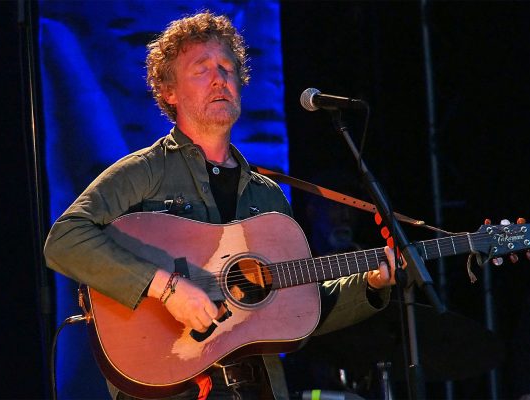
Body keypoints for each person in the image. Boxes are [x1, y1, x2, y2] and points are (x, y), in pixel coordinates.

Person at [44, 11, 399, 400]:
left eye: (227, 68)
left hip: (258, 388)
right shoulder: (143, 172)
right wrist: (168, 289)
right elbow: (65, 238)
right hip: (172, 384)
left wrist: (369, 284)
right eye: (201, 69)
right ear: (169, 91)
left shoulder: (267, 196)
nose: (220, 79)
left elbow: (300, 307)